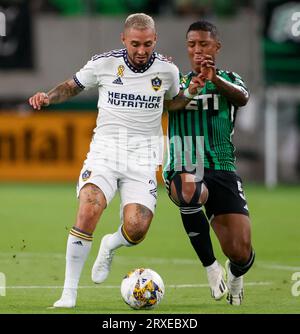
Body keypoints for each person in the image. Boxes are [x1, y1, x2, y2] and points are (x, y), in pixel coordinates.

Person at [29, 13, 203, 308]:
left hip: (143, 157)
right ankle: (68, 293)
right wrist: (48, 97)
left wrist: (188, 93)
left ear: (155, 41)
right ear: (123, 40)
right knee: (89, 208)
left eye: (147, 44)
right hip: (106, 152)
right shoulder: (104, 63)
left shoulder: (168, 70)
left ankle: (110, 244)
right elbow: (72, 86)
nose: (140, 50)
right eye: (135, 43)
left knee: (137, 229)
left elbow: (172, 103)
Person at [163, 20, 255, 306]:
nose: (198, 49)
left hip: (222, 166)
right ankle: (211, 267)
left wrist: (213, 79)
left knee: (241, 252)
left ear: (217, 46)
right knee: (187, 190)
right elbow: (169, 104)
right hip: (184, 164)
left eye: (204, 44)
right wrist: (193, 87)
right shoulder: (176, 81)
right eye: (192, 44)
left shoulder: (230, 78)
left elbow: (242, 98)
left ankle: (235, 273)